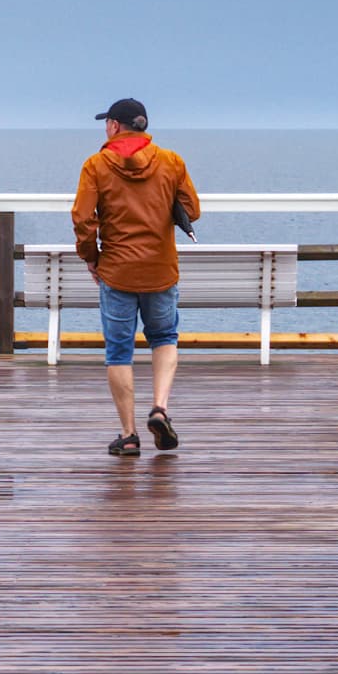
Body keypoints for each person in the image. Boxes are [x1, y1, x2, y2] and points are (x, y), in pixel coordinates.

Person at [73, 96, 198, 457]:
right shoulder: (171, 162)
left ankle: (128, 435)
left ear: (113, 126)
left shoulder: (96, 165)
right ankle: (159, 408)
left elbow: (83, 219)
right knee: (164, 336)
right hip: (160, 269)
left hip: (117, 270)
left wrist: (92, 258)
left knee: (118, 350)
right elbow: (192, 209)